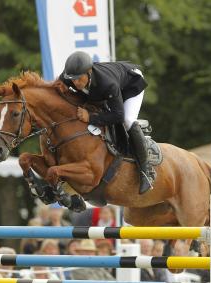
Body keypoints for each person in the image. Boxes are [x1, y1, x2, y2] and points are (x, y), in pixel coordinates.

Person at [60, 51, 154, 194]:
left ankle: (146, 171)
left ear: (89, 72)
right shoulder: (69, 77)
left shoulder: (106, 83)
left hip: (131, 84)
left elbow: (118, 115)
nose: (76, 83)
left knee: (128, 121)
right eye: (73, 80)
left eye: (79, 79)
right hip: (110, 87)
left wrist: (90, 118)